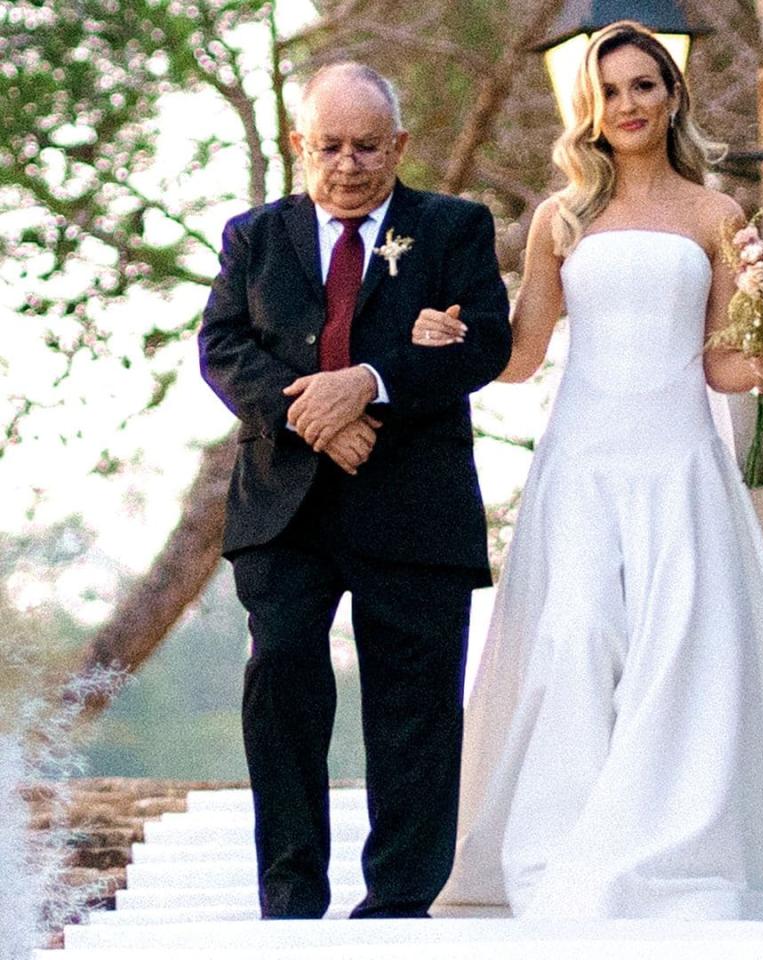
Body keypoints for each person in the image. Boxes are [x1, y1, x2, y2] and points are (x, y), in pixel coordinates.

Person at [413, 22, 763, 920]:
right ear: (588, 112)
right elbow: (524, 357)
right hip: (583, 465)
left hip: (680, 460)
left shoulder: (717, 217)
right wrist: (451, 338)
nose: (629, 104)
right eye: (610, 92)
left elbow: (717, 360)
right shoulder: (558, 220)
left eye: (645, 86)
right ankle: (562, 848)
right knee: (574, 639)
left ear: (673, 95)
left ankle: (665, 844)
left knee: (678, 652)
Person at [198, 62, 511, 920]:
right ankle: (291, 897)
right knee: (285, 677)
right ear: (301, 146)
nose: (348, 164)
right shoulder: (254, 236)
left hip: (413, 505)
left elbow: (484, 344)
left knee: (414, 701)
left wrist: (369, 382)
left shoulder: (453, 229)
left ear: (399, 145)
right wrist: (316, 415)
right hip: (285, 507)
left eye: (367, 146)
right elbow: (222, 348)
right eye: (329, 146)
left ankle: (399, 904)